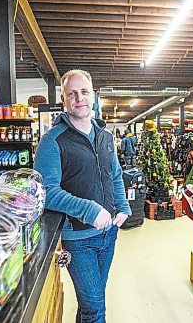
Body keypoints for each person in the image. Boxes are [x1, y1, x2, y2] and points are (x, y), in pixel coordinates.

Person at [33, 69, 131, 323]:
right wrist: (89, 210)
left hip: (108, 233)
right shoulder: (52, 141)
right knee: (95, 307)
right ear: (64, 99)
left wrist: (123, 206)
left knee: (91, 304)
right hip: (78, 239)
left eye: (84, 92)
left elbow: (115, 175)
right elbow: (46, 192)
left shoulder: (106, 136)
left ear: (93, 96)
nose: (79, 98)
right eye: (72, 93)